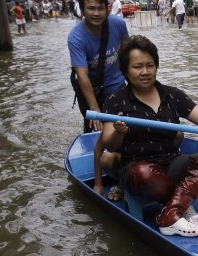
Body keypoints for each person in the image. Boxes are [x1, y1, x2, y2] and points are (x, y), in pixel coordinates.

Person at [100, 35, 198, 237]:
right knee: (144, 172)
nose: (145, 72)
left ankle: (170, 214)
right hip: (136, 169)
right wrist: (119, 131)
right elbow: (110, 143)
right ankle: (180, 204)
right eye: (137, 67)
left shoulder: (172, 95)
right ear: (125, 71)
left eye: (150, 65)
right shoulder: (115, 100)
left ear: (156, 67)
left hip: (171, 163)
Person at [68, 0, 130, 196]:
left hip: (116, 84)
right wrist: (95, 110)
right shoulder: (76, 37)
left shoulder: (118, 24)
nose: (96, 13)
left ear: (107, 8)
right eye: (91, 8)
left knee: (121, 128)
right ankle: (96, 173)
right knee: (95, 129)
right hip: (90, 89)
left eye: (100, 8)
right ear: (82, 10)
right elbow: (82, 75)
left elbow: (129, 53)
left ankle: (120, 164)